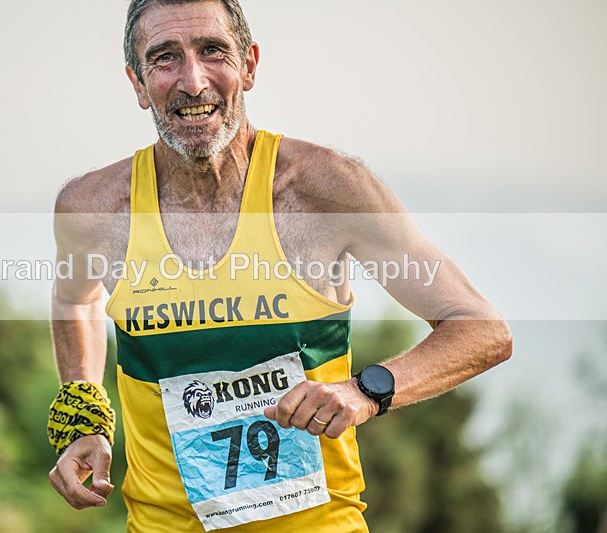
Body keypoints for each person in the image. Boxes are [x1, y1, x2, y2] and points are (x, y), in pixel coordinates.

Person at [47, 1, 512, 531]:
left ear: (249, 64)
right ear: (137, 82)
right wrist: (84, 412)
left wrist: (365, 391)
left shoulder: (326, 190)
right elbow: (74, 297)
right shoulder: (93, 208)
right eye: (165, 58)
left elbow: (482, 329)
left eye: (212, 51)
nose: (193, 81)